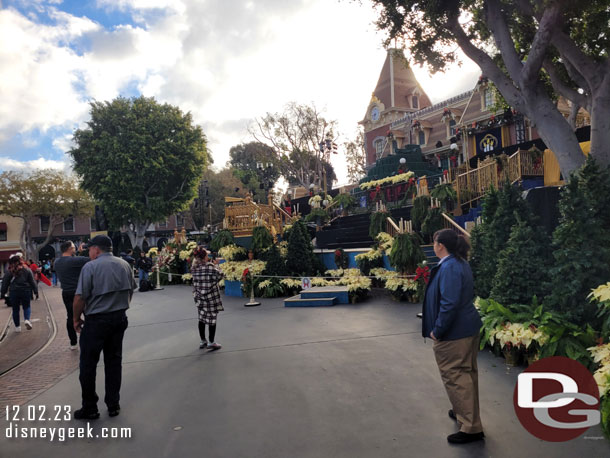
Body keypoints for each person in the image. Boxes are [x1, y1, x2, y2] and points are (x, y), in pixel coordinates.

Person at [421, 229, 484, 444]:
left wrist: (438, 330)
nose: (433, 245)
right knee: (466, 373)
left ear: (441, 246)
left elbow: (449, 303)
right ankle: (464, 412)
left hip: (454, 333)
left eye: (434, 242)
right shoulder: (458, 263)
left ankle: (470, 427)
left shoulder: (449, 267)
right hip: (466, 329)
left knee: (456, 376)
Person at [73, 235, 136, 420]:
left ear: (96, 249)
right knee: (114, 362)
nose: (89, 253)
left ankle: (90, 407)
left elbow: (80, 297)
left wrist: (75, 319)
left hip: (96, 322)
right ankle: (113, 403)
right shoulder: (125, 264)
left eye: (90, 249)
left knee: (88, 365)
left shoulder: (90, 267)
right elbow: (130, 290)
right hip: (119, 319)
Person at [54, 241, 90, 350]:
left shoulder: (56, 262)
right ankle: (88, 338)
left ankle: (73, 342)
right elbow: (91, 259)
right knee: (88, 314)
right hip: (79, 292)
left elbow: (73, 263)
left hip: (66, 292)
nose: (75, 249)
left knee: (71, 316)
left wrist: (77, 253)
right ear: (70, 248)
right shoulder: (76, 260)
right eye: (74, 247)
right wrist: (84, 251)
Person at [191, 246, 224, 350]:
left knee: (201, 318)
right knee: (212, 318)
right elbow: (220, 275)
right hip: (211, 297)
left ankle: (202, 340)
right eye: (206, 255)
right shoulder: (210, 266)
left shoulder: (194, 268)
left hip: (199, 297)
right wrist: (217, 264)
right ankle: (211, 341)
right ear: (204, 256)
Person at [1, 255, 38, 332]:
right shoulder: (27, 270)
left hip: (14, 292)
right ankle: (27, 319)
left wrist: (3, 294)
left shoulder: (9, 272)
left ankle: (17, 327)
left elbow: (5, 284)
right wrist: (35, 291)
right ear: (21, 261)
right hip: (25, 291)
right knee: (26, 307)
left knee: (15, 309)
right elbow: (32, 282)